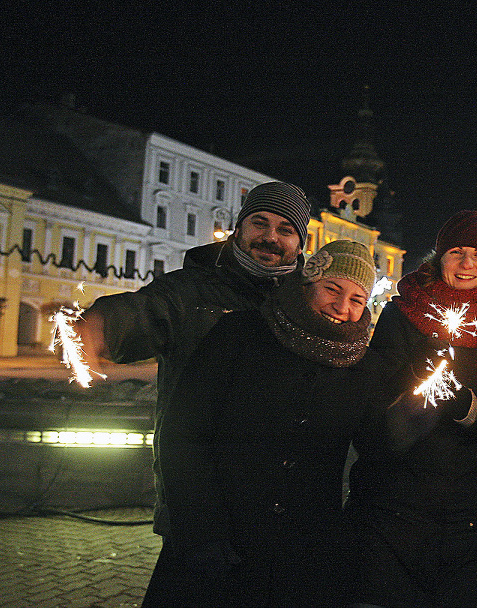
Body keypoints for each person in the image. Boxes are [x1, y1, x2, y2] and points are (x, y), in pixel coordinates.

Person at [144, 240, 378, 607]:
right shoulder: (241, 334)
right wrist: (200, 532)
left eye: (357, 299)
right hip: (221, 539)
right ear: (307, 284)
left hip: (301, 559)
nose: (341, 306)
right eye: (332, 288)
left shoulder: (359, 366)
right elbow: (183, 433)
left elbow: (380, 447)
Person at [72, 180, 311, 539]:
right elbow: (145, 311)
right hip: (199, 495)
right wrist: (101, 325)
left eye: (286, 229)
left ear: (300, 242)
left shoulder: (305, 303)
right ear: (239, 227)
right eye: (259, 223)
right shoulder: (190, 290)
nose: (270, 237)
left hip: (278, 500)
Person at [346, 210, 477, 608]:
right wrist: (412, 403)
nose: (467, 264)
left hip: (467, 518)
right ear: (439, 259)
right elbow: (369, 417)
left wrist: (468, 407)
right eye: (457, 252)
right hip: (393, 510)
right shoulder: (402, 315)